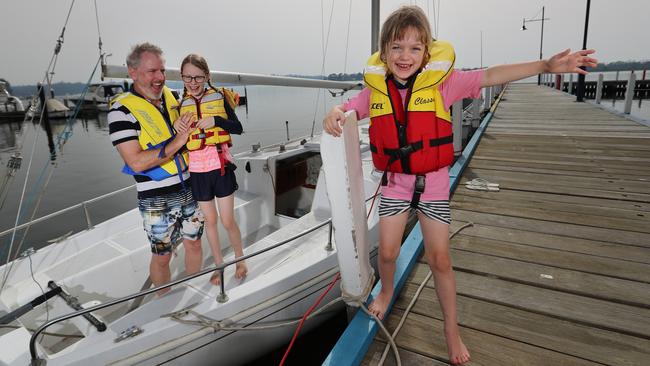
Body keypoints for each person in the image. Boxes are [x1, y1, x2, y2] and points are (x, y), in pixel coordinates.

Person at [322, 6, 597, 365]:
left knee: (440, 260)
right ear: (384, 52)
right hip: (395, 186)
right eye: (396, 47)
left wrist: (544, 66)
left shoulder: (445, 83)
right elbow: (350, 107)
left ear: (428, 52)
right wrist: (336, 112)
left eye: (414, 48)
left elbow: (492, 74)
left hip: (433, 186)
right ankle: (386, 291)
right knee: (387, 253)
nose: (405, 56)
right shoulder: (376, 91)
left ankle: (451, 330)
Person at [108, 43, 205, 295]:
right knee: (162, 256)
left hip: (190, 190)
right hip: (155, 200)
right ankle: (164, 301)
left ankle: (194, 292)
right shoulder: (120, 112)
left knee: (194, 244)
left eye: (162, 70)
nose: (160, 77)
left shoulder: (175, 97)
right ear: (132, 72)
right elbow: (136, 162)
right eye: (152, 71)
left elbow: (203, 96)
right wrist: (177, 142)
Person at [176, 54, 247, 285]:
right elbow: (176, 141)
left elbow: (237, 127)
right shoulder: (179, 104)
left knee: (227, 220)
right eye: (188, 77)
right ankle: (219, 266)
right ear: (182, 77)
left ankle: (240, 259)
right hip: (197, 171)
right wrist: (176, 127)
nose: (193, 82)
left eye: (198, 77)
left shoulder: (219, 97)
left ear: (207, 76)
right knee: (211, 221)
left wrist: (217, 120)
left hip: (220, 166)